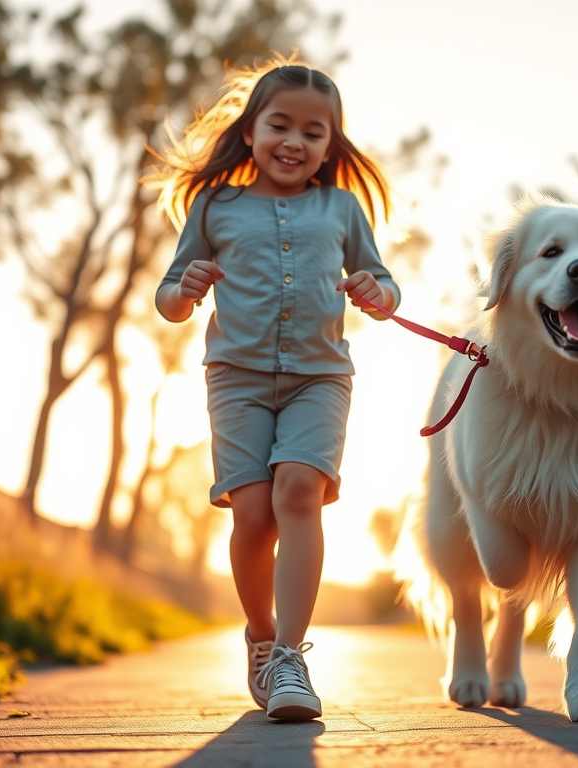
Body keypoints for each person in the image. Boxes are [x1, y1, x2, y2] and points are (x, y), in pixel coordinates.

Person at [149, 56, 399, 721]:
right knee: (254, 513)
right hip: (237, 379)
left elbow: (383, 283)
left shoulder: (341, 208)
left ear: (331, 145)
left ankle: (291, 657)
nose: (295, 141)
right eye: (280, 125)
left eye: (314, 133)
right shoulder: (216, 204)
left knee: (298, 491)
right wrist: (187, 289)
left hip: (321, 376)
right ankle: (260, 636)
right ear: (252, 130)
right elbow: (168, 299)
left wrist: (377, 292)